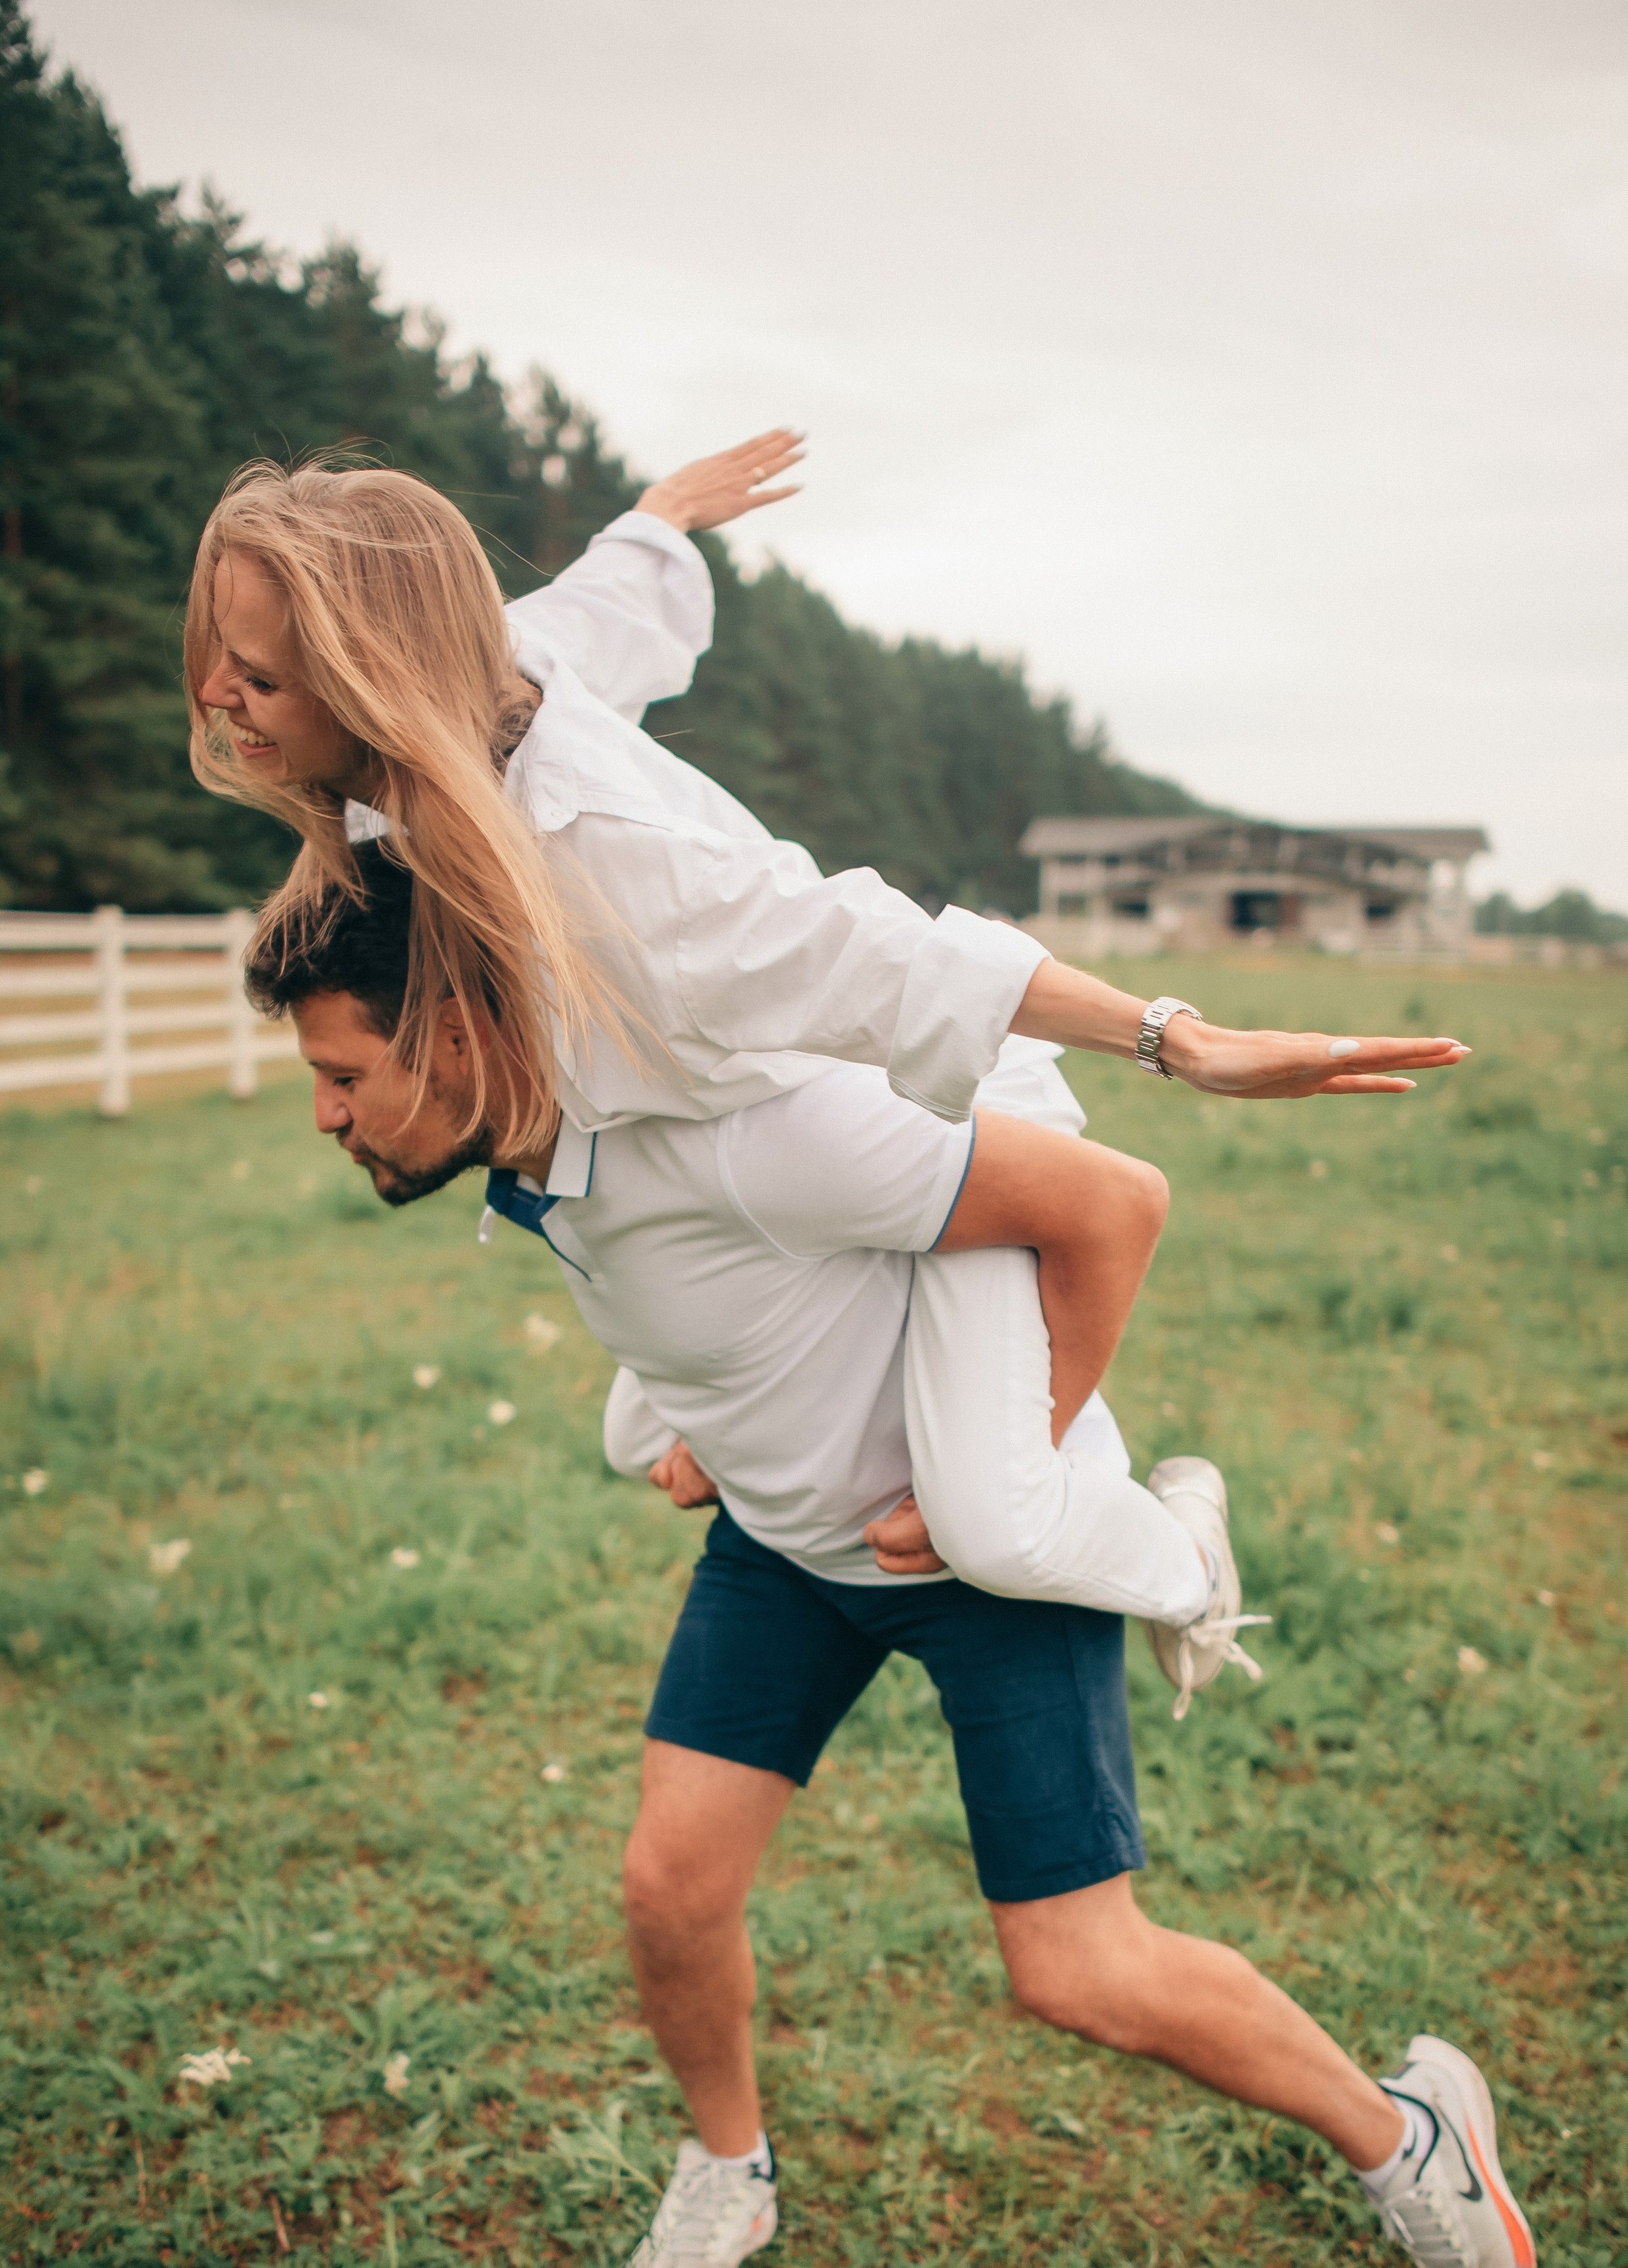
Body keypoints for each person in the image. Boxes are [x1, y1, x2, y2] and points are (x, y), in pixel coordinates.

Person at [240, 854, 1537, 2268]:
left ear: (456, 1033)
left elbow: (1111, 1202)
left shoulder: (748, 1139)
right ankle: (729, 2170)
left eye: (342, 1074)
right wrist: (704, 1423)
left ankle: (1406, 2139)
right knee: (670, 1886)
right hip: (784, 1551)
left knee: (1076, 1970)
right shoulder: (533, 1159)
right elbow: (721, 1305)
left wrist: (1001, 1476)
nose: (325, 1113)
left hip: (972, 1571)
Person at [188, 435, 1467, 1698]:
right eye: (216, 663)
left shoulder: (611, 866)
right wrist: (658, 517)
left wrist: (1173, 1038)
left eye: (256, 677)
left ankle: (1178, 1545)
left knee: (995, 1518)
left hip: (909, 1117)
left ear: (369, 675)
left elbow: (878, 957)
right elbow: (601, 611)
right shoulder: (460, 710)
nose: (216, 699)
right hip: (751, 1143)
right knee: (639, 1428)